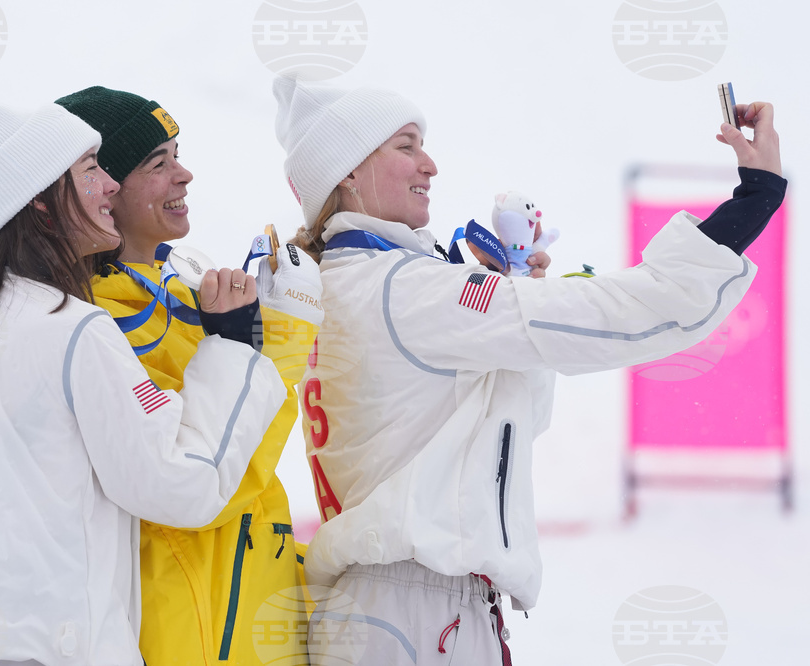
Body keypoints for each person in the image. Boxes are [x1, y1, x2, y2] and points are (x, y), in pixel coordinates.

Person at [273, 76, 785, 665]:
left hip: (386, 609)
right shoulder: (408, 289)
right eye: (406, 145)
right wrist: (757, 196)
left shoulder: (338, 283)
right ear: (346, 172)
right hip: (416, 615)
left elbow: (512, 424)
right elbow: (620, 315)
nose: (430, 164)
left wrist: (510, 294)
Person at [0, 89, 286, 666]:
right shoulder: (72, 328)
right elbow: (179, 486)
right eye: (90, 168)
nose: (110, 184)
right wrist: (233, 347)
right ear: (40, 200)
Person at [55, 86, 323, 665]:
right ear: (104, 188)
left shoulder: (180, 290)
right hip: (195, 627)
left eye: (179, 154)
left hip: (249, 603)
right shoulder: (99, 321)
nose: (185, 175)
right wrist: (280, 338)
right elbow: (210, 481)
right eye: (159, 163)